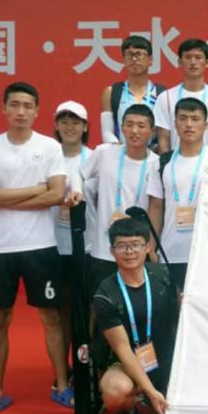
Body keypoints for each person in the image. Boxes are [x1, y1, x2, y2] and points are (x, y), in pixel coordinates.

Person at [0, 82, 70, 414]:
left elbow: (56, 194)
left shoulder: (49, 146)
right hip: (0, 248)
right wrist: (34, 191)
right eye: (14, 105)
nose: (20, 112)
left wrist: (7, 198)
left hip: (40, 246)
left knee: (50, 317)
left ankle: (62, 385)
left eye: (27, 106)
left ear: (37, 111)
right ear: (4, 108)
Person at [93, 217, 178, 414]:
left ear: (148, 247)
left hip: (164, 357)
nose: (129, 251)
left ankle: (161, 393)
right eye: (122, 245)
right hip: (127, 362)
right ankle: (129, 411)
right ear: (112, 251)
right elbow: (123, 349)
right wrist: (149, 390)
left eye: (136, 244)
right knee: (114, 389)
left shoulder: (163, 276)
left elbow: (179, 318)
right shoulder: (105, 294)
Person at [148, 97, 208, 291]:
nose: (189, 124)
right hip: (170, 252)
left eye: (195, 119)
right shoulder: (162, 163)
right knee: (172, 308)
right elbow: (156, 206)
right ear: (175, 124)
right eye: (183, 118)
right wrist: (151, 247)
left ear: (206, 125)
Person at [80, 104, 160, 294]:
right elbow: (80, 175)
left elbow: (156, 208)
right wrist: (75, 191)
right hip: (103, 248)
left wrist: (151, 248)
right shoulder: (104, 153)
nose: (134, 131)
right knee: (101, 302)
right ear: (121, 128)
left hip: (137, 251)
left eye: (141, 126)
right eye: (129, 124)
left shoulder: (157, 164)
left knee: (135, 302)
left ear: (152, 131)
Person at [51, 101, 93, 374]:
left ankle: (88, 366)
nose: (69, 127)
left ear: (85, 127)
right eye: (64, 122)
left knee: (90, 307)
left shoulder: (95, 158)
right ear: (56, 126)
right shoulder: (47, 156)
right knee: (61, 311)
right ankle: (63, 371)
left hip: (87, 246)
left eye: (75, 122)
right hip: (55, 245)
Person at [153, 38, 208, 155]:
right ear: (179, 62)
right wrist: (166, 163)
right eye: (188, 57)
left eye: (198, 57)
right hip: (176, 163)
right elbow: (163, 138)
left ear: (207, 62)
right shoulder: (165, 98)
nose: (193, 62)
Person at [100, 35, 166, 146]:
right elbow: (107, 133)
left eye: (139, 54)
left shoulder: (162, 94)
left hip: (152, 154)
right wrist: (121, 151)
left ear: (150, 60)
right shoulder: (111, 92)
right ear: (123, 60)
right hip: (120, 153)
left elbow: (164, 133)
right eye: (130, 54)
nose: (134, 59)